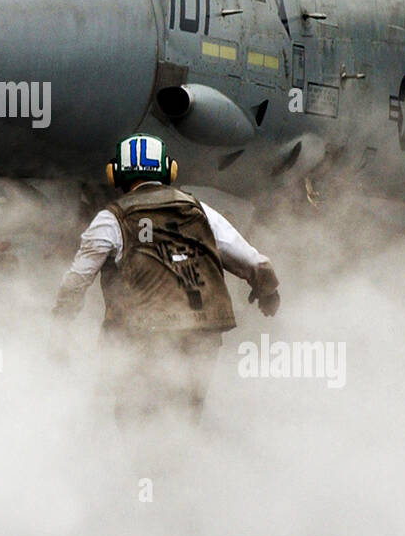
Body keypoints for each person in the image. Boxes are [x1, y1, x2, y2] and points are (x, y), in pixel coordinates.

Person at [51, 132, 280, 427]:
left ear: (115, 173)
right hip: (204, 330)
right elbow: (254, 261)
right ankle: (177, 466)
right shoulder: (199, 210)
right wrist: (267, 292)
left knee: (134, 415)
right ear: (168, 170)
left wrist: (61, 320)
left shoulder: (112, 219)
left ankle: (143, 468)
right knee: (185, 416)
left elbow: (77, 279)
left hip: (143, 333)